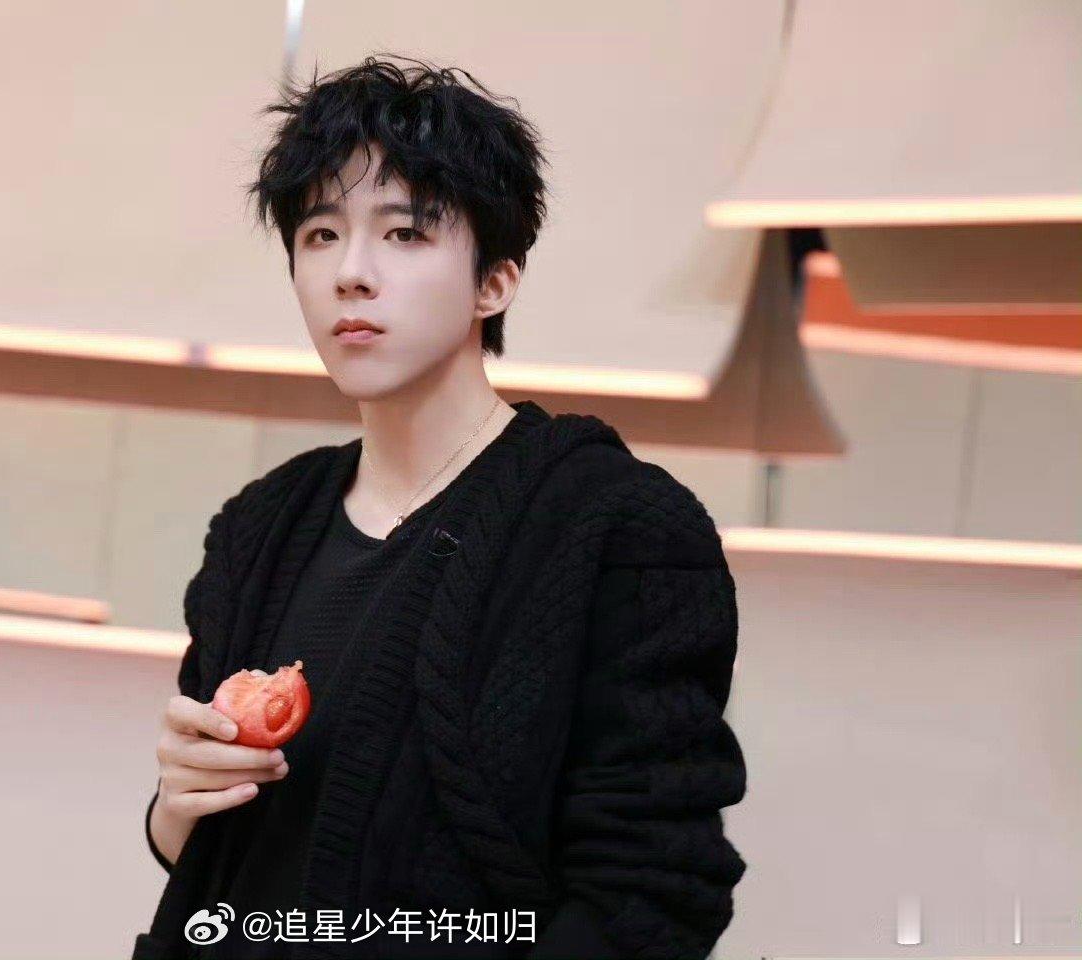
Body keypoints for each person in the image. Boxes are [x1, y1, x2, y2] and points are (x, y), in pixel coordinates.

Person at [135, 54, 746, 960]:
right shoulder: (261, 526)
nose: (351, 273)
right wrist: (175, 808)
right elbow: (218, 865)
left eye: (405, 233)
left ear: (495, 281)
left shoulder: (621, 529)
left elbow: (654, 894)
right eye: (319, 234)